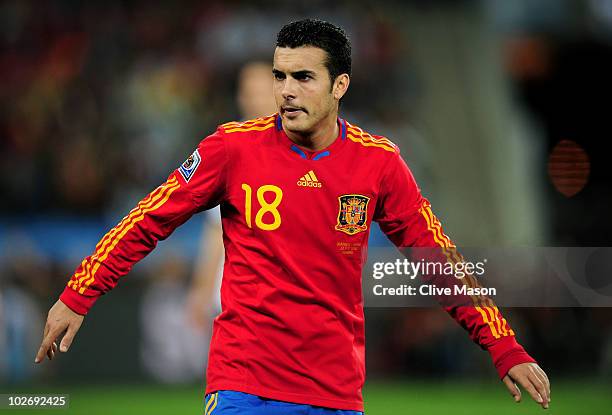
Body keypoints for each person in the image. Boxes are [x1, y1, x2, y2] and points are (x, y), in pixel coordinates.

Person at [35, 19, 551, 414]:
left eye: (303, 77)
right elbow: (149, 219)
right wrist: (80, 292)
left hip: (335, 390)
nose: (285, 90)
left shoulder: (379, 164)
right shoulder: (231, 149)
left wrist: (503, 345)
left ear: (340, 85)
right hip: (244, 383)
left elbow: (438, 259)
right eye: (280, 75)